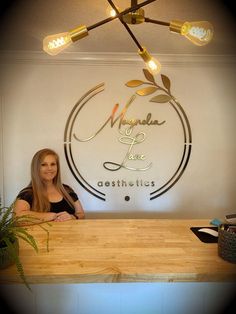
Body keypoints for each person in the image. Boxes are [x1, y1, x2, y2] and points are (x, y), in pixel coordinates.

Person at [14, 148, 85, 222]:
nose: (49, 168)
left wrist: (72, 217)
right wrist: (52, 216)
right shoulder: (27, 193)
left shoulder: (67, 190)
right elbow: (17, 218)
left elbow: (81, 214)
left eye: (53, 164)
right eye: (44, 165)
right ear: (36, 168)